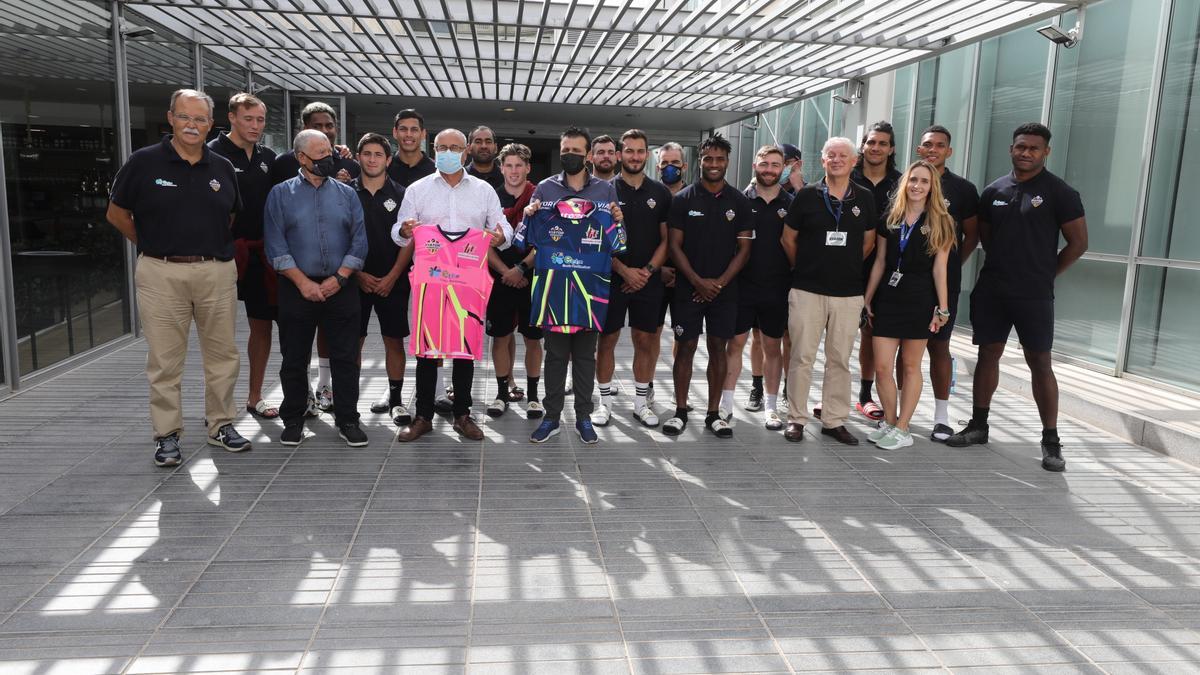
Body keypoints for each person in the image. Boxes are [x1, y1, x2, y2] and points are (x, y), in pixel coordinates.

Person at [106, 89, 252, 466]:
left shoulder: (221, 168)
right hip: (160, 272)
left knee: (222, 355)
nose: (193, 125)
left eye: (200, 119)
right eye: (185, 117)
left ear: (210, 124)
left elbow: (230, 217)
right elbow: (117, 214)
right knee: (165, 360)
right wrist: (154, 244)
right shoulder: (143, 162)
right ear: (170, 118)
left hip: (215, 272)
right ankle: (167, 435)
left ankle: (221, 424)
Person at [946, 123, 1087, 472]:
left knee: (1040, 362)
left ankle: (1051, 441)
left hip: (1034, 295)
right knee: (987, 354)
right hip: (993, 289)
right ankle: (979, 425)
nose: (1026, 153)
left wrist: (1045, 274)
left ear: (1045, 152)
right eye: (1021, 146)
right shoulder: (994, 190)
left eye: (1034, 148)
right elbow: (988, 238)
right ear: (1011, 148)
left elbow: (1079, 244)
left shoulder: (1060, 192)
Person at [390, 128, 513, 442]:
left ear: (466, 151)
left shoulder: (484, 190)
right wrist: (404, 230)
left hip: (467, 283)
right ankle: (423, 417)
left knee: (464, 352)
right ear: (433, 150)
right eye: (442, 147)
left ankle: (462, 415)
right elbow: (398, 232)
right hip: (430, 282)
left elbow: (502, 227)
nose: (448, 152)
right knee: (427, 353)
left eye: (455, 147)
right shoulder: (417, 189)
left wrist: (501, 237)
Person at [264, 130, 369, 448]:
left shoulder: (347, 194)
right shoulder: (280, 194)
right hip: (297, 288)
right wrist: (304, 283)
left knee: (346, 357)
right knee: (294, 358)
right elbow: (275, 244)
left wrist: (339, 278)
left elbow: (360, 239)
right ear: (301, 158)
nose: (328, 158)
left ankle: (348, 418)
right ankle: (294, 419)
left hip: (342, 286)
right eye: (319, 153)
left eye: (329, 152)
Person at [522, 126, 626, 444]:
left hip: (590, 287)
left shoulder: (605, 191)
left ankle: (583, 416)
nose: (571, 155)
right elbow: (523, 236)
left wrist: (619, 221)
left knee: (584, 356)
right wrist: (528, 215)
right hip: (554, 286)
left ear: (588, 155)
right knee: (554, 355)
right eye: (566, 149)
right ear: (561, 149)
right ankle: (552, 417)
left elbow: (618, 242)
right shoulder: (545, 188)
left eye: (577, 151)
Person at [781, 137, 878, 445]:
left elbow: (869, 242)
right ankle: (796, 418)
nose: (836, 160)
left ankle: (834, 420)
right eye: (830, 155)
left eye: (843, 156)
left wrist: (842, 265)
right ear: (822, 161)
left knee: (839, 359)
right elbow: (788, 240)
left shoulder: (864, 198)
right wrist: (808, 267)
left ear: (854, 161)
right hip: (807, 290)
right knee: (802, 357)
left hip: (848, 294)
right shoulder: (808, 196)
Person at [662, 134, 753, 438]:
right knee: (685, 347)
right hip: (689, 289)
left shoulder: (739, 201)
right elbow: (674, 247)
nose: (714, 164)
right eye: (708, 159)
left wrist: (719, 284)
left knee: (718, 348)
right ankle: (680, 410)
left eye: (720, 159)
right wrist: (698, 283)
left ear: (727, 161)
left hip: (725, 291)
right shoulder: (682, 199)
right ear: (699, 161)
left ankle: (714, 413)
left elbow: (744, 250)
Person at [863, 160, 954, 450]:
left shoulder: (942, 221)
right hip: (889, 299)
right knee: (881, 367)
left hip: (920, 298)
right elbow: (879, 261)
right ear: (905, 183)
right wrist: (868, 297)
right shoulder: (890, 218)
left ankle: (904, 428)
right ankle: (890, 422)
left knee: (911, 366)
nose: (917, 185)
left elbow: (941, 269)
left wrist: (942, 308)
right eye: (913, 179)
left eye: (924, 181)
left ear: (932, 187)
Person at [206, 92, 279, 421]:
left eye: (260, 119)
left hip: (260, 255)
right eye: (248, 118)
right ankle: (218, 406)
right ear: (232, 117)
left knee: (261, 327)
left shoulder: (268, 156)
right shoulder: (212, 153)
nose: (255, 125)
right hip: (222, 255)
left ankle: (254, 396)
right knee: (218, 332)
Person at [596, 129, 672, 428]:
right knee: (607, 340)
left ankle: (641, 403)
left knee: (645, 340)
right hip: (612, 278)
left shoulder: (661, 193)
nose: (635, 156)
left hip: (648, 280)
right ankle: (604, 404)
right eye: (629, 151)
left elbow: (667, 240)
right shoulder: (603, 191)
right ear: (619, 154)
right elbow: (596, 240)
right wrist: (624, 270)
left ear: (647, 155)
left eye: (640, 151)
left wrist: (647, 272)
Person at [912, 125, 980, 441]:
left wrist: (952, 265)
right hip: (904, 285)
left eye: (940, 145)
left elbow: (972, 235)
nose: (933, 149)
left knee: (939, 346)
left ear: (948, 152)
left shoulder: (963, 190)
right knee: (906, 348)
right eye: (927, 145)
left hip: (942, 285)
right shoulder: (907, 182)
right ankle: (902, 413)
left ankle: (941, 416)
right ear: (919, 149)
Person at [723, 146, 793, 431]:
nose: (769, 169)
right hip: (742, 287)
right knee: (735, 346)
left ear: (783, 168)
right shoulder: (740, 201)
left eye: (775, 165)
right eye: (764, 164)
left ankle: (772, 408)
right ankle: (725, 406)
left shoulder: (792, 203)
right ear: (755, 165)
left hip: (777, 288)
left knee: (772, 348)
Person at [351, 133, 412, 424]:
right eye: (367, 153)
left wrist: (392, 276)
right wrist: (357, 274)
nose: (372, 159)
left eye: (378, 154)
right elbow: (339, 238)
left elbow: (409, 241)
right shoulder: (345, 192)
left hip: (393, 281)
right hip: (353, 280)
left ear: (388, 160)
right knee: (353, 342)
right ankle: (349, 402)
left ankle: (396, 400)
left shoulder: (402, 194)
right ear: (358, 157)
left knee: (394, 340)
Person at [843, 121, 901, 424]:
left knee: (872, 332)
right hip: (845, 267)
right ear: (862, 147)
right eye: (871, 142)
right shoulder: (845, 177)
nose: (876, 148)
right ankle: (833, 394)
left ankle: (865, 395)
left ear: (891, 149)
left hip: (887, 270)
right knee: (837, 332)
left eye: (882, 143)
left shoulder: (902, 183)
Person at [486, 142, 544, 419]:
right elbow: (483, 243)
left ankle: (533, 397)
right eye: (508, 165)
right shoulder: (490, 199)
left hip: (533, 276)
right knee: (500, 337)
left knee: (533, 339)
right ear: (501, 168)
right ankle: (501, 394)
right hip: (499, 278)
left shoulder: (539, 198)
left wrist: (521, 268)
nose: (513, 171)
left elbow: (547, 239)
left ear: (528, 168)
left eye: (519, 165)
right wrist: (505, 272)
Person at [651, 141, 689, 409]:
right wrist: (659, 268)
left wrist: (682, 271)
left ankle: (679, 390)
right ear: (658, 166)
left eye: (675, 163)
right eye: (665, 163)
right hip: (654, 277)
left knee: (682, 336)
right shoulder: (651, 195)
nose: (670, 168)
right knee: (651, 334)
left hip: (685, 279)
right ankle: (648, 384)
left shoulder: (694, 196)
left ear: (684, 166)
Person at [388, 108, 436, 187]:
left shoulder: (436, 171)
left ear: (423, 134)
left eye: (414, 129)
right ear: (395, 132)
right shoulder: (384, 169)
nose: (409, 134)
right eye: (403, 129)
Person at [465, 125, 504, 192]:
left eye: (488, 142)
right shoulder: (460, 177)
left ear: (495, 148)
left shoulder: (507, 178)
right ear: (469, 148)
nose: (484, 146)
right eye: (478, 142)